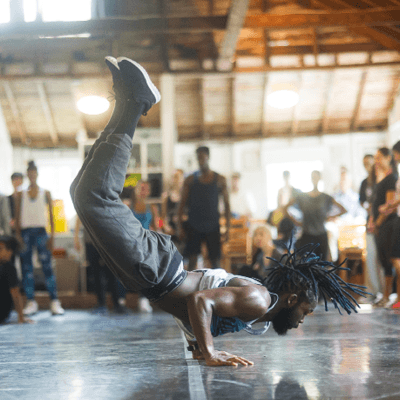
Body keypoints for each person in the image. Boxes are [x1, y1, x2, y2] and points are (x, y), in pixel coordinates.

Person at [69, 56, 368, 367]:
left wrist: (200, 345)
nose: (301, 321)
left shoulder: (257, 308)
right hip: (156, 270)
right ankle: (136, 102)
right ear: (291, 300)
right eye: (305, 312)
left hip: (155, 274)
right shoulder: (259, 300)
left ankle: (128, 101)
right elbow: (200, 302)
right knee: (95, 197)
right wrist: (210, 352)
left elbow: (194, 307)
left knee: (81, 194)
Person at [15, 161, 64, 316]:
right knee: (26, 268)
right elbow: (17, 216)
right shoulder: (20, 194)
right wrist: (18, 235)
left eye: (34, 172)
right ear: (27, 174)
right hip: (25, 232)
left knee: (47, 266)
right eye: (29, 173)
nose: (32, 175)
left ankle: (54, 301)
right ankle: (30, 301)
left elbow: (51, 215)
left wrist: (52, 236)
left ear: (37, 174)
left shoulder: (46, 192)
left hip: (42, 232)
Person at [178, 146, 230, 271]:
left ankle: (219, 288)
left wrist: (228, 228)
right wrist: (180, 227)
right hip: (194, 225)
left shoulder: (220, 179)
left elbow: (227, 205)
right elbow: (181, 206)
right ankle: (189, 289)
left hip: (213, 225)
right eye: (198, 158)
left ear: (208, 157)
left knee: (215, 261)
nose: (201, 161)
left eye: (203, 157)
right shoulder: (190, 180)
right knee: (192, 261)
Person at [283, 170, 347, 261]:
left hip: (321, 236)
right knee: (305, 264)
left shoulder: (325, 197)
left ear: (320, 178)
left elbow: (343, 210)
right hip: (306, 236)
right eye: (313, 177)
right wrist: (296, 222)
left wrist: (330, 217)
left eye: (316, 177)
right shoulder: (302, 197)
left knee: (322, 264)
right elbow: (285, 208)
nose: (314, 179)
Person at [74, 217, 127, 314]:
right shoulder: (83, 201)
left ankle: (117, 304)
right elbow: (79, 217)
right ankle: (101, 304)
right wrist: (76, 237)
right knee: (96, 273)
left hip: (107, 240)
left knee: (112, 272)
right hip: (90, 240)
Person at [369, 148, 398, 308]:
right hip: (379, 226)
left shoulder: (391, 178)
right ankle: (385, 295)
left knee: (388, 260)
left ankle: (388, 295)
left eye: (379, 157)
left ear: (388, 158)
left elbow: (388, 206)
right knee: (382, 260)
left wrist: (378, 222)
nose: (377, 161)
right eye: (376, 158)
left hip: (388, 225)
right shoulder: (380, 179)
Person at [376, 142, 400, 309]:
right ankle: (395, 297)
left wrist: (388, 208)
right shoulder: (385, 177)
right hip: (392, 220)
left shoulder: (392, 177)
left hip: (391, 222)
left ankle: (394, 296)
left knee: (394, 259)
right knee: (390, 259)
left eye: (379, 157)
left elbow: (392, 200)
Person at [131, 179, 159, 313]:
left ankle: (144, 298)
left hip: (147, 244)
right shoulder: (128, 207)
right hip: (132, 244)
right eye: (140, 188)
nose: (143, 191)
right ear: (136, 191)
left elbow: (157, 228)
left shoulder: (152, 208)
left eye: (145, 189)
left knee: (147, 269)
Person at [359, 155, 382, 302]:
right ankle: (372, 291)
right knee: (371, 258)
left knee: (385, 259)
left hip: (383, 223)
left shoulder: (380, 180)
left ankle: (385, 292)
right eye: (365, 163)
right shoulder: (364, 183)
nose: (368, 166)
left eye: (370, 163)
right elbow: (362, 201)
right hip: (370, 224)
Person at [0, 235, 33, 324]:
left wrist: (21, 317)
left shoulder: (9, 268)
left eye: (0, 249)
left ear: (10, 251)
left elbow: (15, 293)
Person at [161, 169, 184, 247]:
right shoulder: (165, 196)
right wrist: (165, 227)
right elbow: (161, 218)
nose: (175, 179)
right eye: (173, 177)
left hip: (183, 231)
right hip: (171, 232)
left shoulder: (186, 196)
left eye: (177, 177)